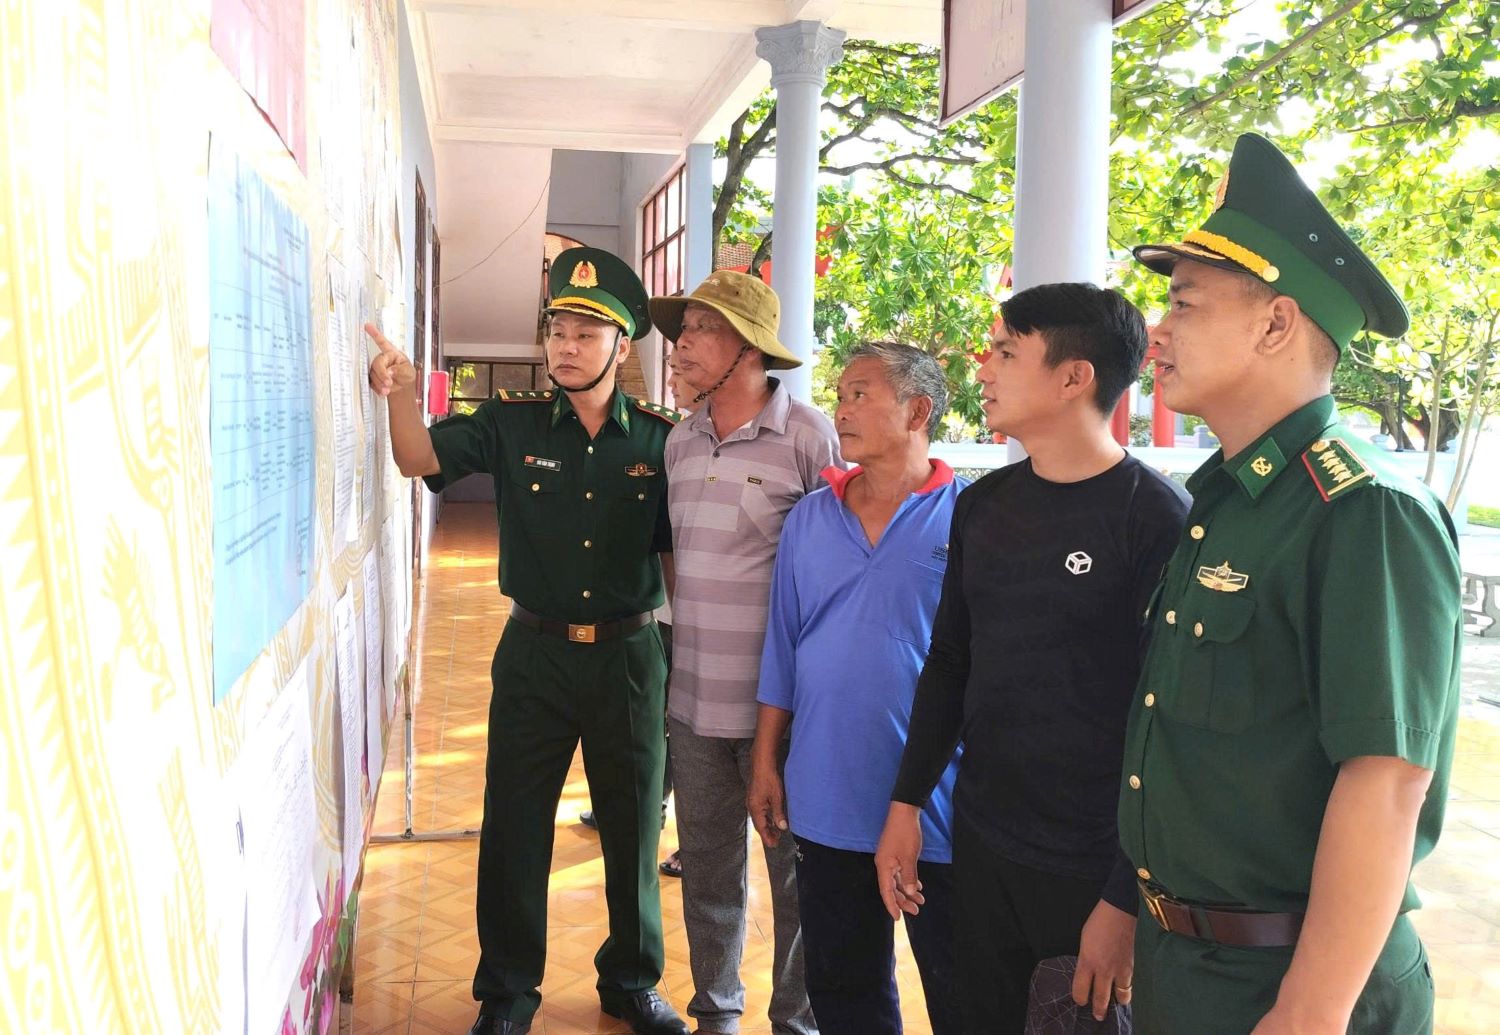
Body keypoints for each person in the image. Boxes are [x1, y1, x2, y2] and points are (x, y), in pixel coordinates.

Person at [1120, 132, 1462, 1034]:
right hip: (1184, 966)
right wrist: (1128, 907)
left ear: (1276, 324)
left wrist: (1311, 1012)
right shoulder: (1228, 501)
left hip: (1292, 985)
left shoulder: (1361, 511)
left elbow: (1387, 780)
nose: (1157, 330)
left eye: (1185, 303)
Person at [365, 247, 689, 1035]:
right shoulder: (509, 422)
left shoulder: (661, 441)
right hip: (534, 654)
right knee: (514, 824)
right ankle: (507, 992)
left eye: (586, 332)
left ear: (622, 345)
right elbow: (419, 457)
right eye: (558, 330)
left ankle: (630, 980)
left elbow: (682, 560)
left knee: (633, 820)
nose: (567, 346)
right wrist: (401, 396)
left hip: (630, 656)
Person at [874, 282, 1190, 1033]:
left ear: (1075, 376)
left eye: (1007, 352)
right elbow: (949, 660)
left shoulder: (1153, 517)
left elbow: (1170, 725)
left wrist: (1124, 895)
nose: (983, 370)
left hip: (1091, 862)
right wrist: (906, 802)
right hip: (984, 842)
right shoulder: (985, 505)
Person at [748, 342, 966, 1035]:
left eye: (861, 394)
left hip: (939, 804)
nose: (842, 409)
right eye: (841, 394)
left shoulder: (971, 518)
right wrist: (764, 760)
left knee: (961, 987)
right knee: (844, 989)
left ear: (918, 410)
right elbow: (782, 646)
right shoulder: (811, 518)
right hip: (827, 794)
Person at [649, 271, 840, 1035]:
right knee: (708, 873)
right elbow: (677, 562)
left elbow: (834, 568)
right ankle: (715, 1015)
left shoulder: (810, 436)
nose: (682, 342)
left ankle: (796, 1022)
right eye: (683, 327)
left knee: (797, 882)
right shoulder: (678, 438)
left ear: (750, 348)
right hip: (692, 703)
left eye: (700, 327)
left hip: (783, 714)